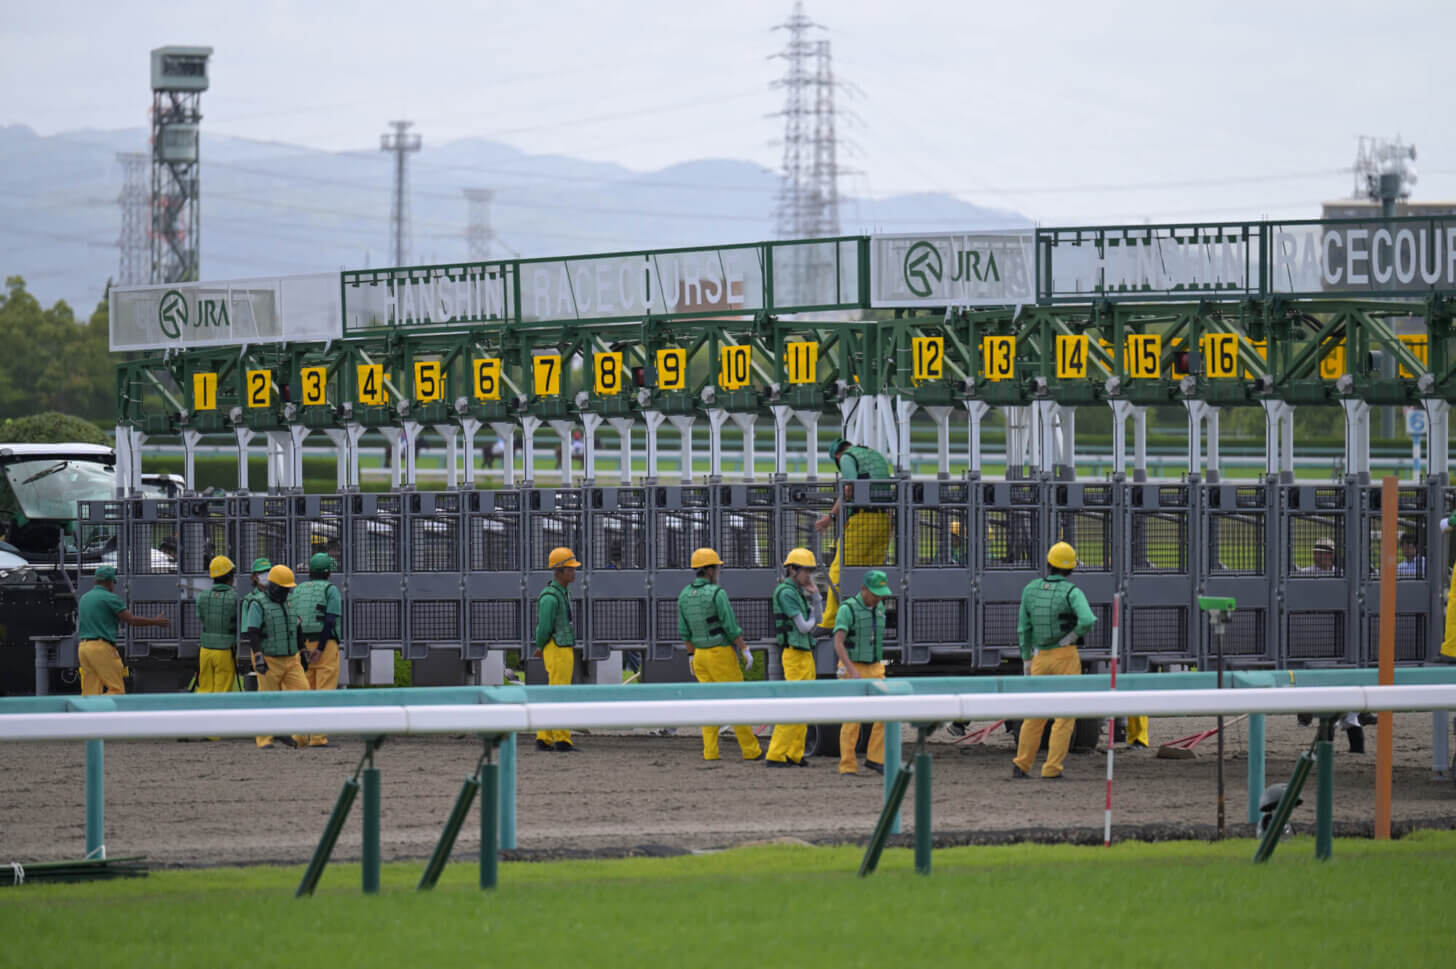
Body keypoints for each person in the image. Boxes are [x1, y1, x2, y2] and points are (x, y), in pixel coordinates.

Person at [1011, 542, 1096, 779]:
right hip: (1066, 657)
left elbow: (1023, 628)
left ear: (1049, 563)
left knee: (1034, 715)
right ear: (1071, 569)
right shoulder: (1073, 592)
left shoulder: (1030, 589)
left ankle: (1021, 764)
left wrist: (1027, 658)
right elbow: (1088, 619)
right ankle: (1051, 769)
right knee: (1064, 716)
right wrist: (1072, 635)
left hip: (1039, 658)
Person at [679, 547, 763, 762]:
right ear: (708, 570)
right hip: (720, 654)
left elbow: (684, 631)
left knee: (709, 705)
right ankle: (751, 750)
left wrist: (690, 656)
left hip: (699, 657)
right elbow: (730, 626)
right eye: (716, 567)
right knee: (737, 702)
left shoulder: (684, 595)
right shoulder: (718, 593)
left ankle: (710, 751)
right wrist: (744, 648)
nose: (717, 571)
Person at [816, 438, 893, 628]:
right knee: (873, 574)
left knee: (838, 571)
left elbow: (848, 488)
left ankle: (829, 622)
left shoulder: (847, 457)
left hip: (863, 520)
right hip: (884, 520)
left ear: (837, 456)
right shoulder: (874, 455)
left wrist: (830, 517)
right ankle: (873, 619)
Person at [832, 570, 894, 776]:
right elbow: (838, 642)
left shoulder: (880, 607)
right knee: (852, 719)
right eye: (875, 593)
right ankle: (847, 765)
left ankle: (875, 758)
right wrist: (851, 670)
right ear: (863, 589)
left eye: (881, 594)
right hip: (852, 666)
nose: (878, 598)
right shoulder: (847, 609)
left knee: (887, 712)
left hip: (875, 666)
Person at [766, 548, 823, 767]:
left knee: (805, 705)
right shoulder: (786, 592)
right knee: (793, 705)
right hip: (795, 654)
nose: (808, 575)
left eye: (810, 570)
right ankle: (776, 754)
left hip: (804, 653)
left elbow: (815, 622)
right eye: (805, 571)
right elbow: (805, 626)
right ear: (792, 570)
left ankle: (794, 753)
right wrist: (812, 611)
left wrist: (816, 596)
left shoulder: (798, 591)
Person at [76, 565, 170, 696]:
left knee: (90, 693)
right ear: (109, 582)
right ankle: (109, 714)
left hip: (83, 648)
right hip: (101, 648)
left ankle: (89, 715)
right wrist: (156, 621)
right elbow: (131, 620)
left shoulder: (84, 598)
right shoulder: (110, 598)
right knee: (117, 690)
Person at [245, 564, 308, 750]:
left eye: (288, 589)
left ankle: (297, 737)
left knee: (303, 694)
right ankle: (265, 740)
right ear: (273, 587)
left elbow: (297, 629)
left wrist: (303, 652)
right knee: (267, 699)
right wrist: (258, 656)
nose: (286, 592)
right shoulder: (257, 604)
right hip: (270, 660)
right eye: (284, 589)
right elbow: (253, 632)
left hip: (291, 659)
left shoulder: (289, 603)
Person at [289, 552, 343, 747]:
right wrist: (320, 648)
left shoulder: (297, 590)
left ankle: (299, 737)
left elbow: (293, 620)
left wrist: (303, 648)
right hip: (325, 645)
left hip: (301, 646)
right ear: (328, 572)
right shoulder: (331, 590)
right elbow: (330, 620)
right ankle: (318, 738)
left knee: (303, 692)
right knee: (324, 692)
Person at [535, 547, 581, 752]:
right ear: (559, 571)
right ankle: (561, 740)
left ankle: (545, 738)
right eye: (570, 569)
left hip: (560, 647)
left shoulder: (561, 593)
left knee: (555, 693)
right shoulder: (550, 597)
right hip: (558, 649)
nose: (574, 572)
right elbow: (543, 627)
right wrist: (540, 645)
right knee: (560, 695)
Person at [195, 556, 239, 701]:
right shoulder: (234, 598)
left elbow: (201, 616)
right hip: (225, 650)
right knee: (222, 694)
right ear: (229, 577)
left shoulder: (202, 596)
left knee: (204, 690)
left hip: (205, 650)